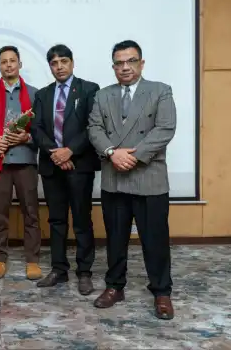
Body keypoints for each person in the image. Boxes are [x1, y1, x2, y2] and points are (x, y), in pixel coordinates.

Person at [88, 40, 177, 320]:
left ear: (141, 63)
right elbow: (94, 128)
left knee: (155, 240)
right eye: (119, 63)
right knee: (115, 238)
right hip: (114, 178)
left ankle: (161, 291)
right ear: (113, 66)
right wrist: (112, 153)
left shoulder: (160, 91)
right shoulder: (103, 95)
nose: (125, 67)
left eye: (131, 61)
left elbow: (165, 129)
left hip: (149, 178)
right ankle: (115, 286)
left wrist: (133, 157)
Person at [30, 44, 101, 295]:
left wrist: (70, 151)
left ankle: (84, 272)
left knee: (81, 219)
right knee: (56, 220)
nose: (59, 67)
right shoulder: (43, 94)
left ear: (72, 63)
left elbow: (93, 126)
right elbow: (36, 128)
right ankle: (59, 269)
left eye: (63, 61)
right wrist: (56, 153)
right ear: (50, 66)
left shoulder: (89, 89)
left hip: (80, 165)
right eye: (54, 63)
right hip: (52, 166)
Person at [0, 45, 42, 281]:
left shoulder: (35, 95)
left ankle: (32, 260)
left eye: (12, 60)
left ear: (19, 64)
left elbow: (42, 130)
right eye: (4, 62)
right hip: (0, 163)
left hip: (26, 162)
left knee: (31, 212)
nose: (8, 65)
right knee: (0, 213)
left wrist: (28, 138)